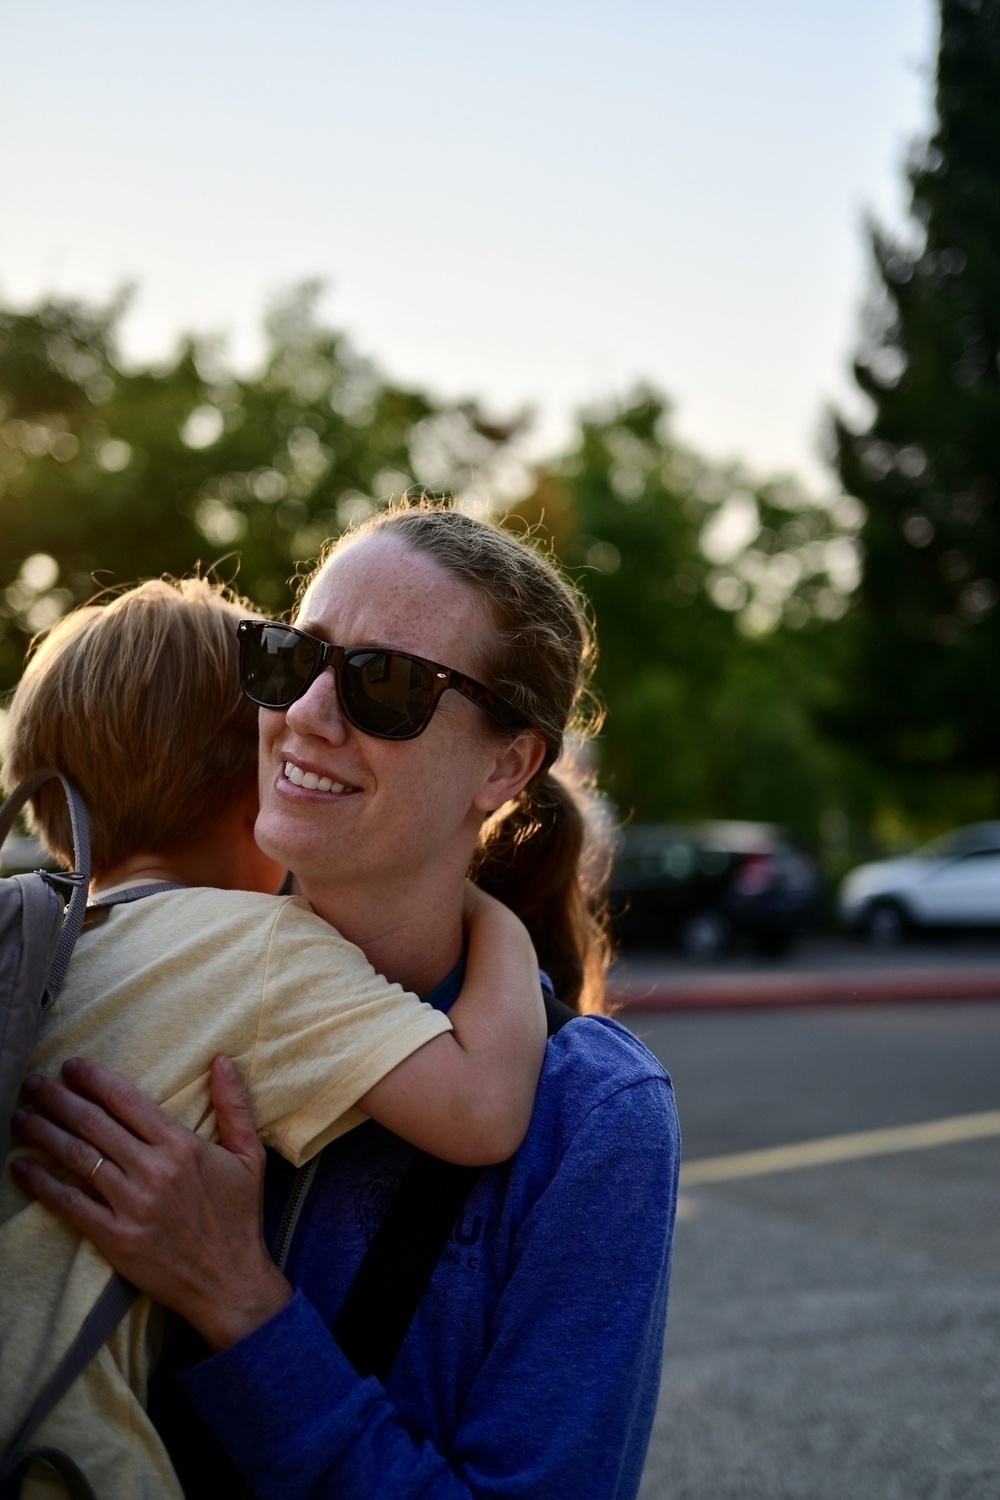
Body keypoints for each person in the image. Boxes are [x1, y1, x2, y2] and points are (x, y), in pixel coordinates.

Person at [15, 503, 681, 1500]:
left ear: (505, 765)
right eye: (293, 657)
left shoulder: (593, 1116)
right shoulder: (134, 976)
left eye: (388, 685)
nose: (309, 714)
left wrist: (241, 1304)